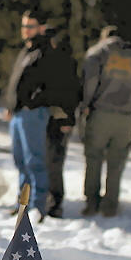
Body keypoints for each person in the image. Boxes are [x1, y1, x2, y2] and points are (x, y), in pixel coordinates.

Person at [81, 26, 131, 217]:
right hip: (126, 117)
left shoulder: (98, 53)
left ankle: (91, 203)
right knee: (117, 162)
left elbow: (90, 81)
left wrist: (85, 105)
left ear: (104, 37)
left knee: (94, 158)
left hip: (100, 113)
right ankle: (110, 206)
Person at [4, 9, 54, 222]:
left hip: (33, 113)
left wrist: (32, 103)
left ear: (41, 28)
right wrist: (11, 105)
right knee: (20, 161)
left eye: (30, 26)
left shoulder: (45, 51)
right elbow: (17, 82)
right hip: (18, 114)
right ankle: (22, 203)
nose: (25, 30)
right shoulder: (26, 50)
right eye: (24, 26)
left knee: (34, 160)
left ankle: (38, 205)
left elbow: (50, 84)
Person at [43, 27, 81, 218]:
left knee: (54, 162)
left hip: (60, 118)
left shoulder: (63, 63)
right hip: (54, 117)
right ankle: (51, 200)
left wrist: (68, 118)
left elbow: (72, 93)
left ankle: (55, 202)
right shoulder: (60, 61)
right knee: (51, 161)